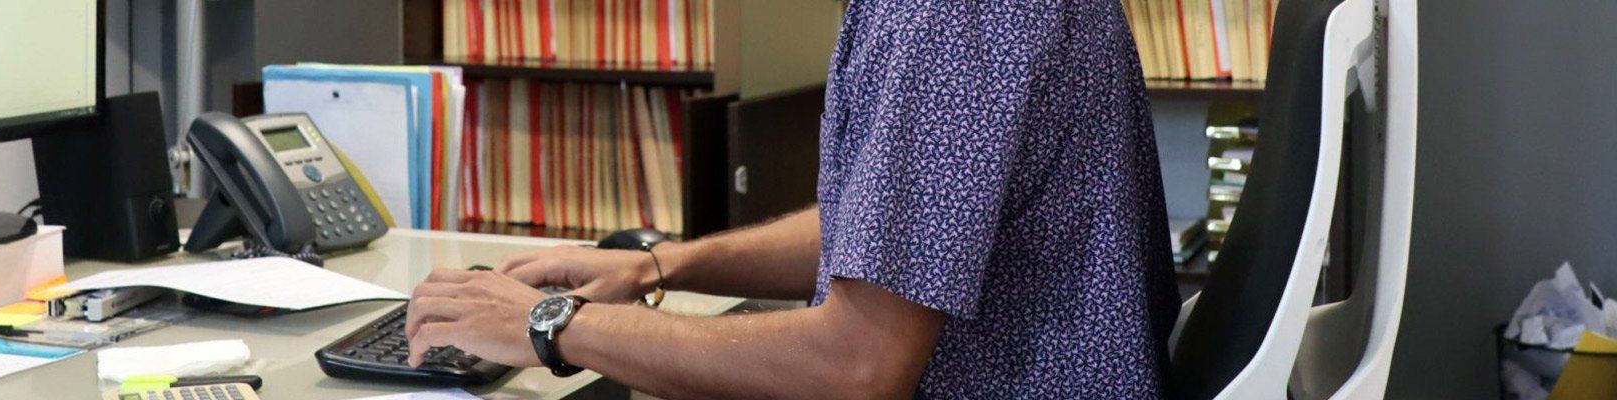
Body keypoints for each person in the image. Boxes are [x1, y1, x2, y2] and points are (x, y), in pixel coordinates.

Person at [403, 0, 1180, 397]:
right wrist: (658, 267)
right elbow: (896, 230)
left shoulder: (950, 17)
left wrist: (550, 325)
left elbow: (856, 369)